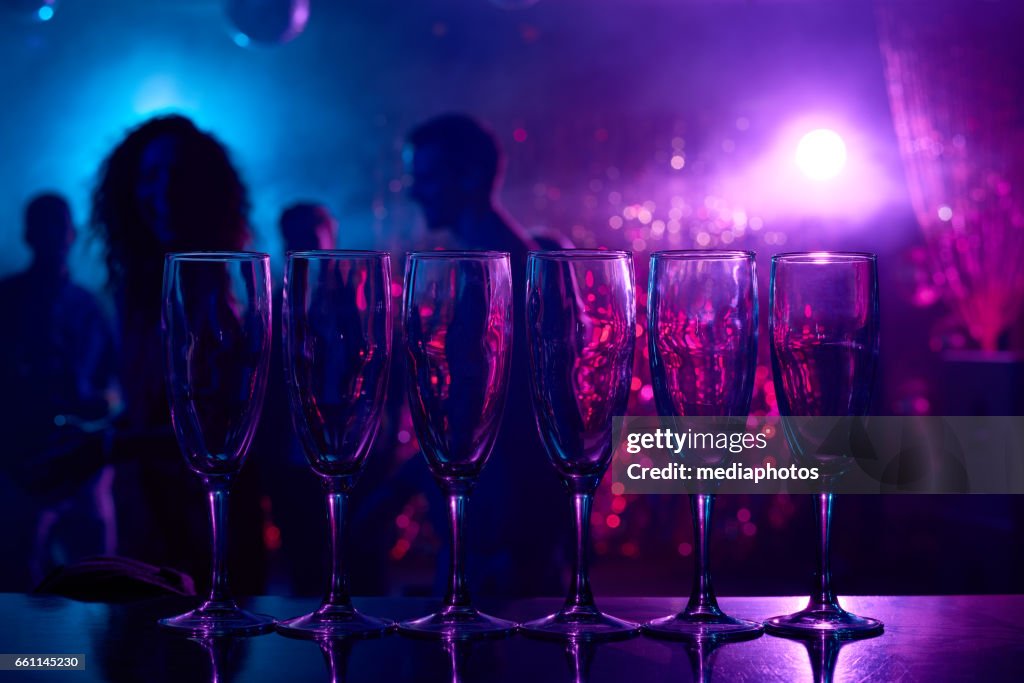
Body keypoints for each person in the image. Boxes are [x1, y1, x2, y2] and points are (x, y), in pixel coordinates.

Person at [91, 114, 267, 594]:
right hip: (147, 516)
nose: (163, 192)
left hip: (206, 524)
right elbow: (153, 404)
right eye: (150, 177)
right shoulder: (139, 283)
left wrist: (101, 448)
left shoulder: (211, 283)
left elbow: (214, 431)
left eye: (178, 177)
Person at [397, 113, 566, 597]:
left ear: (470, 176)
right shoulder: (511, 257)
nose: (415, 191)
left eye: (426, 177)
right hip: (498, 508)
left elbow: (502, 414)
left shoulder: (502, 266)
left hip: (500, 516)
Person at [0, 193, 117, 589]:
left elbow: (114, 383)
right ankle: (30, 655)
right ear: (29, 234)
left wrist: (101, 408)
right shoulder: (7, 300)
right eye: (44, 225)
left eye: (58, 226)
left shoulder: (88, 306)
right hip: (25, 458)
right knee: (20, 572)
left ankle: (80, 653)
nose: (53, 235)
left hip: (82, 457)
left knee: (99, 571)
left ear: (71, 234)